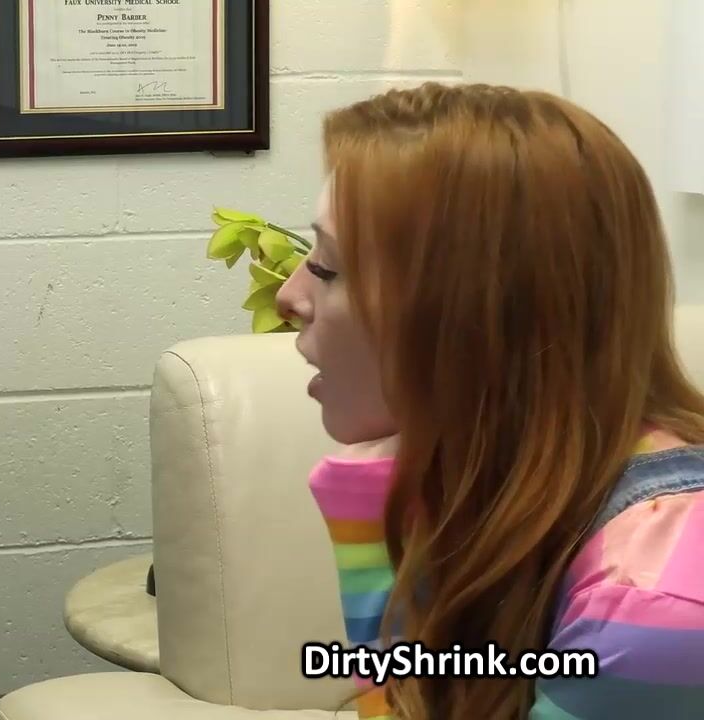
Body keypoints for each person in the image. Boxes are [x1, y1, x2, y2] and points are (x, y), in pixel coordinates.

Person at [276, 82, 704, 719]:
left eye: (330, 268)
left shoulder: (652, 600)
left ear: (476, 314)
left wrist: (369, 508)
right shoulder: (508, 485)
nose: (288, 297)